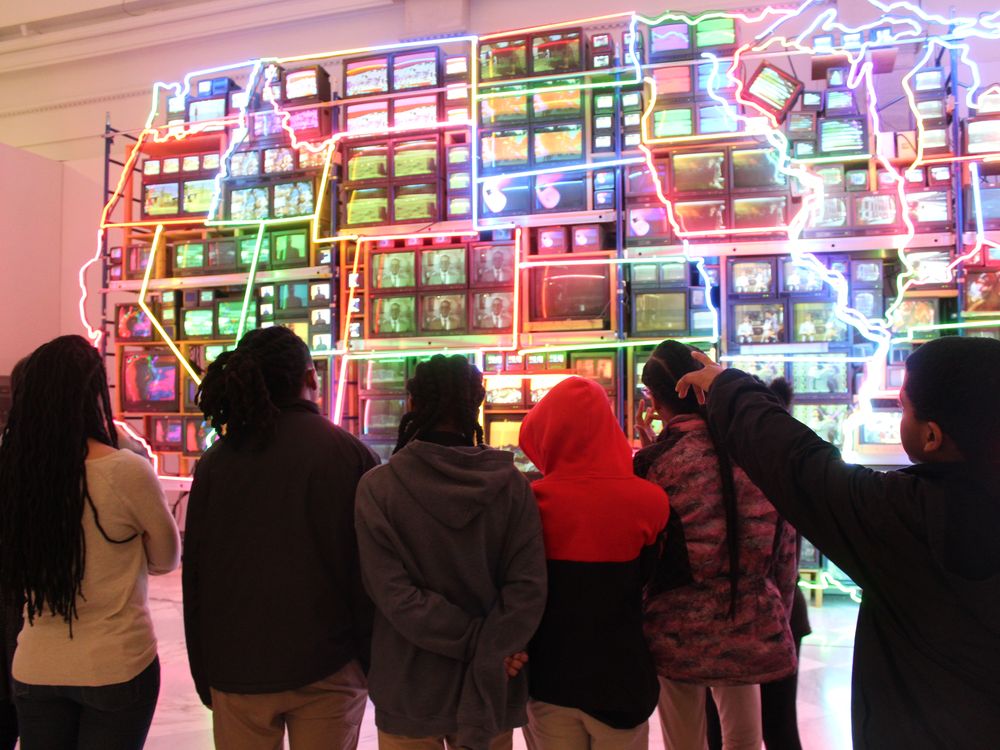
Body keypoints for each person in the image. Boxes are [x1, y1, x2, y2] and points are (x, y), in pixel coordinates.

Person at [672, 336, 1000, 748]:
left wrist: (727, 387)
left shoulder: (909, 516)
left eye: (903, 407)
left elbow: (803, 467)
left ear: (932, 437)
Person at [183, 326, 378, 750]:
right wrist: (369, 663)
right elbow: (367, 575)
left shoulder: (216, 463)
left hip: (236, 670)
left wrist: (205, 671)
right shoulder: (351, 455)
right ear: (311, 378)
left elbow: (195, 573)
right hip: (329, 666)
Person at [355, 355, 547, 750]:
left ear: (412, 406)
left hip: (408, 687)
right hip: (491, 681)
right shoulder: (512, 487)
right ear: (476, 407)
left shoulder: (378, 488)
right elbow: (527, 590)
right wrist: (490, 646)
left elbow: (394, 595)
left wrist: (475, 640)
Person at [0, 335, 180, 750]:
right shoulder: (126, 471)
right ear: (93, 394)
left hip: (34, 665)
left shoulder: (13, 474)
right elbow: (167, 558)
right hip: (115, 664)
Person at [633, 341, 797, 750]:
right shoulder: (755, 453)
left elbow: (644, 557)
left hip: (676, 629)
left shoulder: (654, 463)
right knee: (745, 737)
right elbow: (785, 555)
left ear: (652, 399)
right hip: (751, 617)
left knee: (684, 740)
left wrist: (650, 449)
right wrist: (776, 614)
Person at [518, 377, 670, 750]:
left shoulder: (528, 503)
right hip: (623, 681)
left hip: (550, 678)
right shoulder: (651, 501)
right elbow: (654, 585)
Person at [706, 378, 811, 750]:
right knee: (777, 725)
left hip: (733, 616)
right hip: (778, 612)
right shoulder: (786, 470)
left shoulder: (728, 469)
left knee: (722, 726)